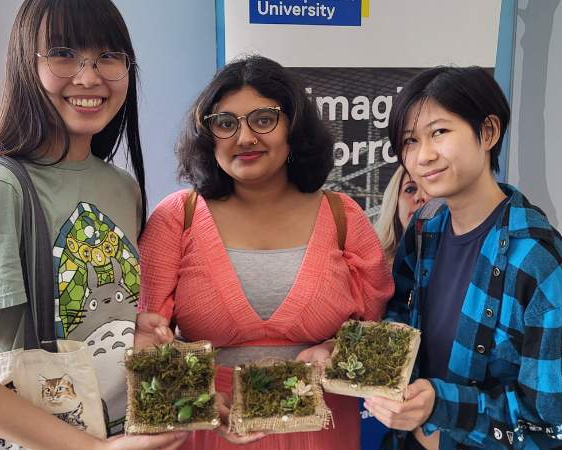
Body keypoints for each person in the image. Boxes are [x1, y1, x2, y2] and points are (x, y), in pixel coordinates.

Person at [0, 1, 186, 448]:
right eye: (63, 54)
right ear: (26, 65)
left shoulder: (121, 187)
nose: (89, 77)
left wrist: (126, 328)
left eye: (108, 56)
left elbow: (69, 319)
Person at [136, 55, 394, 450]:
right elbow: (146, 340)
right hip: (209, 433)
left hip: (323, 433)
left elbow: (377, 330)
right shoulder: (177, 217)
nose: (244, 138)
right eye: (226, 123)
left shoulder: (344, 217)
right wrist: (196, 400)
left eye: (263, 120)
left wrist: (332, 350)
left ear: (294, 127)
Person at [365, 66, 562, 449]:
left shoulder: (540, 267)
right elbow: (399, 313)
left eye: (439, 132)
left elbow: (557, 425)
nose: (423, 156)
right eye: (410, 141)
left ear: (489, 132)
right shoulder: (425, 228)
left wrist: (442, 406)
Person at [374, 165, 427, 266]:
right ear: (395, 203)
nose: (419, 197)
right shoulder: (375, 266)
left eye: (429, 189)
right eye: (410, 189)